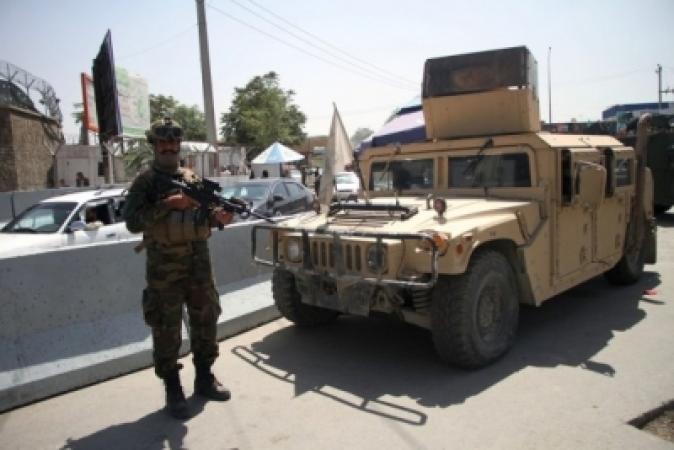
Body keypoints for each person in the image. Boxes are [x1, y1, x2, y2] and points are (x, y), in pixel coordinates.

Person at [123, 117, 234, 419]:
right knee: (166, 327)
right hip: (164, 269)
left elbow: (206, 215)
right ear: (155, 145)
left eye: (173, 142)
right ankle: (173, 387)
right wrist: (169, 205)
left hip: (198, 264)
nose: (169, 147)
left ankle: (205, 377)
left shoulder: (192, 178)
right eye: (163, 142)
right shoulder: (145, 182)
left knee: (206, 319)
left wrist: (219, 218)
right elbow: (133, 221)